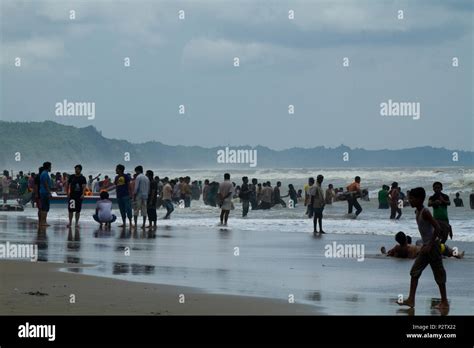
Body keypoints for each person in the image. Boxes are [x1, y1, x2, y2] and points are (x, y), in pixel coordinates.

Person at [398, 187, 448, 311]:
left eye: (412, 198)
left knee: (439, 274)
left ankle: (444, 302)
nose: (410, 200)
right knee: (414, 271)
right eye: (409, 198)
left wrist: (430, 244)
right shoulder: (417, 211)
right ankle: (411, 300)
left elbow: (437, 228)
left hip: (433, 246)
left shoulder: (425, 211)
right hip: (426, 247)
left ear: (420, 199)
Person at [114, 164, 132, 229]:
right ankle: (124, 223)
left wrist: (131, 194)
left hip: (126, 195)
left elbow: (129, 185)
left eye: (116, 169)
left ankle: (130, 223)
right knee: (122, 210)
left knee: (128, 209)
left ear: (120, 169)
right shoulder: (116, 177)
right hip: (119, 196)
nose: (115, 170)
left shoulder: (126, 176)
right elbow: (116, 186)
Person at [39, 162, 53, 227]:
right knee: (45, 208)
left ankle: (43, 222)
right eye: (50, 167)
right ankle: (43, 222)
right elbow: (45, 183)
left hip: (43, 192)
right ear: (48, 167)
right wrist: (49, 192)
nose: (51, 168)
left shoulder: (44, 173)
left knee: (43, 208)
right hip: (44, 192)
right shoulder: (45, 173)